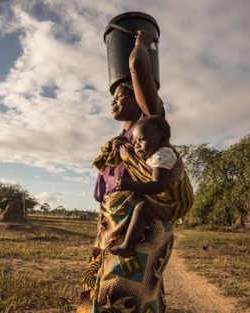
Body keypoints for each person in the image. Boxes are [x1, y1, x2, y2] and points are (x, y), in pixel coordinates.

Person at [76, 29, 190, 312]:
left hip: (141, 221)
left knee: (123, 293)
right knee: (102, 286)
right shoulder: (116, 145)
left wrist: (142, 43)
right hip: (111, 225)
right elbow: (101, 193)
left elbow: (138, 68)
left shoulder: (149, 124)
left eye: (120, 95)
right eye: (111, 98)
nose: (113, 101)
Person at [109, 115, 192, 257]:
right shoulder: (153, 154)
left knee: (142, 209)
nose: (137, 145)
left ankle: (128, 246)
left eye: (142, 139)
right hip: (166, 199)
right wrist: (123, 145)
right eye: (135, 142)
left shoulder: (163, 155)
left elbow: (158, 186)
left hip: (175, 203)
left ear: (163, 139)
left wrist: (130, 185)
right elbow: (133, 155)